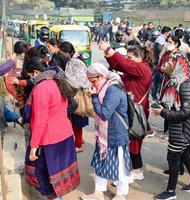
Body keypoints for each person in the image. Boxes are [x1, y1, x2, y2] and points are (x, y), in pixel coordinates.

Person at [23, 56, 80, 200]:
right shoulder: (57, 81)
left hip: (49, 141)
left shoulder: (41, 88)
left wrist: (34, 146)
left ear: (36, 72)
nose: (32, 79)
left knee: (46, 178)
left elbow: (40, 121)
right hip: (65, 136)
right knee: (58, 176)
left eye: (31, 76)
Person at [153, 36, 190, 200]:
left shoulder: (185, 84)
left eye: (171, 64)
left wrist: (163, 113)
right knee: (185, 153)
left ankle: (171, 192)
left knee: (173, 158)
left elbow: (186, 112)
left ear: (180, 65)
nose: (167, 66)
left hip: (182, 128)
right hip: (178, 128)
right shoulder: (174, 81)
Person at [99, 41, 152, 182]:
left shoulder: (143, 68)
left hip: (136, 112)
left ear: (139, 58)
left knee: (133, 142)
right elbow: (119, 65)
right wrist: (108, 55)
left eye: (130, 57)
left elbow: (125, 64)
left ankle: (135, 171)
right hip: (130, 110)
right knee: (130, 141)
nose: (128, 60)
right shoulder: (135, 69)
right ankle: (135, 169)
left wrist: (110, 50)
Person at [81, 63, 132, 200]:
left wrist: (94, 97)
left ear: (101, 75)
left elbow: (104, 113)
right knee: (100, 163)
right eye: (90, 80)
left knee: (119, 166)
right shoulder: (104, 86)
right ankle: (98, 193)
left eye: (93, 80)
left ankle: (120, 195)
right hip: (104, 134)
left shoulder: (113, 88)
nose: (92, 83)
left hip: (116, 134)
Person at [59, 41, 89, 153]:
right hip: (73, 94)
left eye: (62, 52)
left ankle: (78, 145)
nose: (61, 55)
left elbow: (79, 83)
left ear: (67, 52)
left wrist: (65, 76)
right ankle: (80, 140)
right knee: (76, 121)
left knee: (76, 122)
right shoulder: (72, 60)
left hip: (78, 95)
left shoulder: (77, 62)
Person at [151, 26, 171, 101]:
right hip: (158, 63)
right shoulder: (161, 40)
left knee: (157, 80)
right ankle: (154, 95)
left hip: (158, 62)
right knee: (157, 80)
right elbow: (160, 51)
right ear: (166, 32)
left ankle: (156, 95)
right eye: (168, 33)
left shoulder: (160, 39)